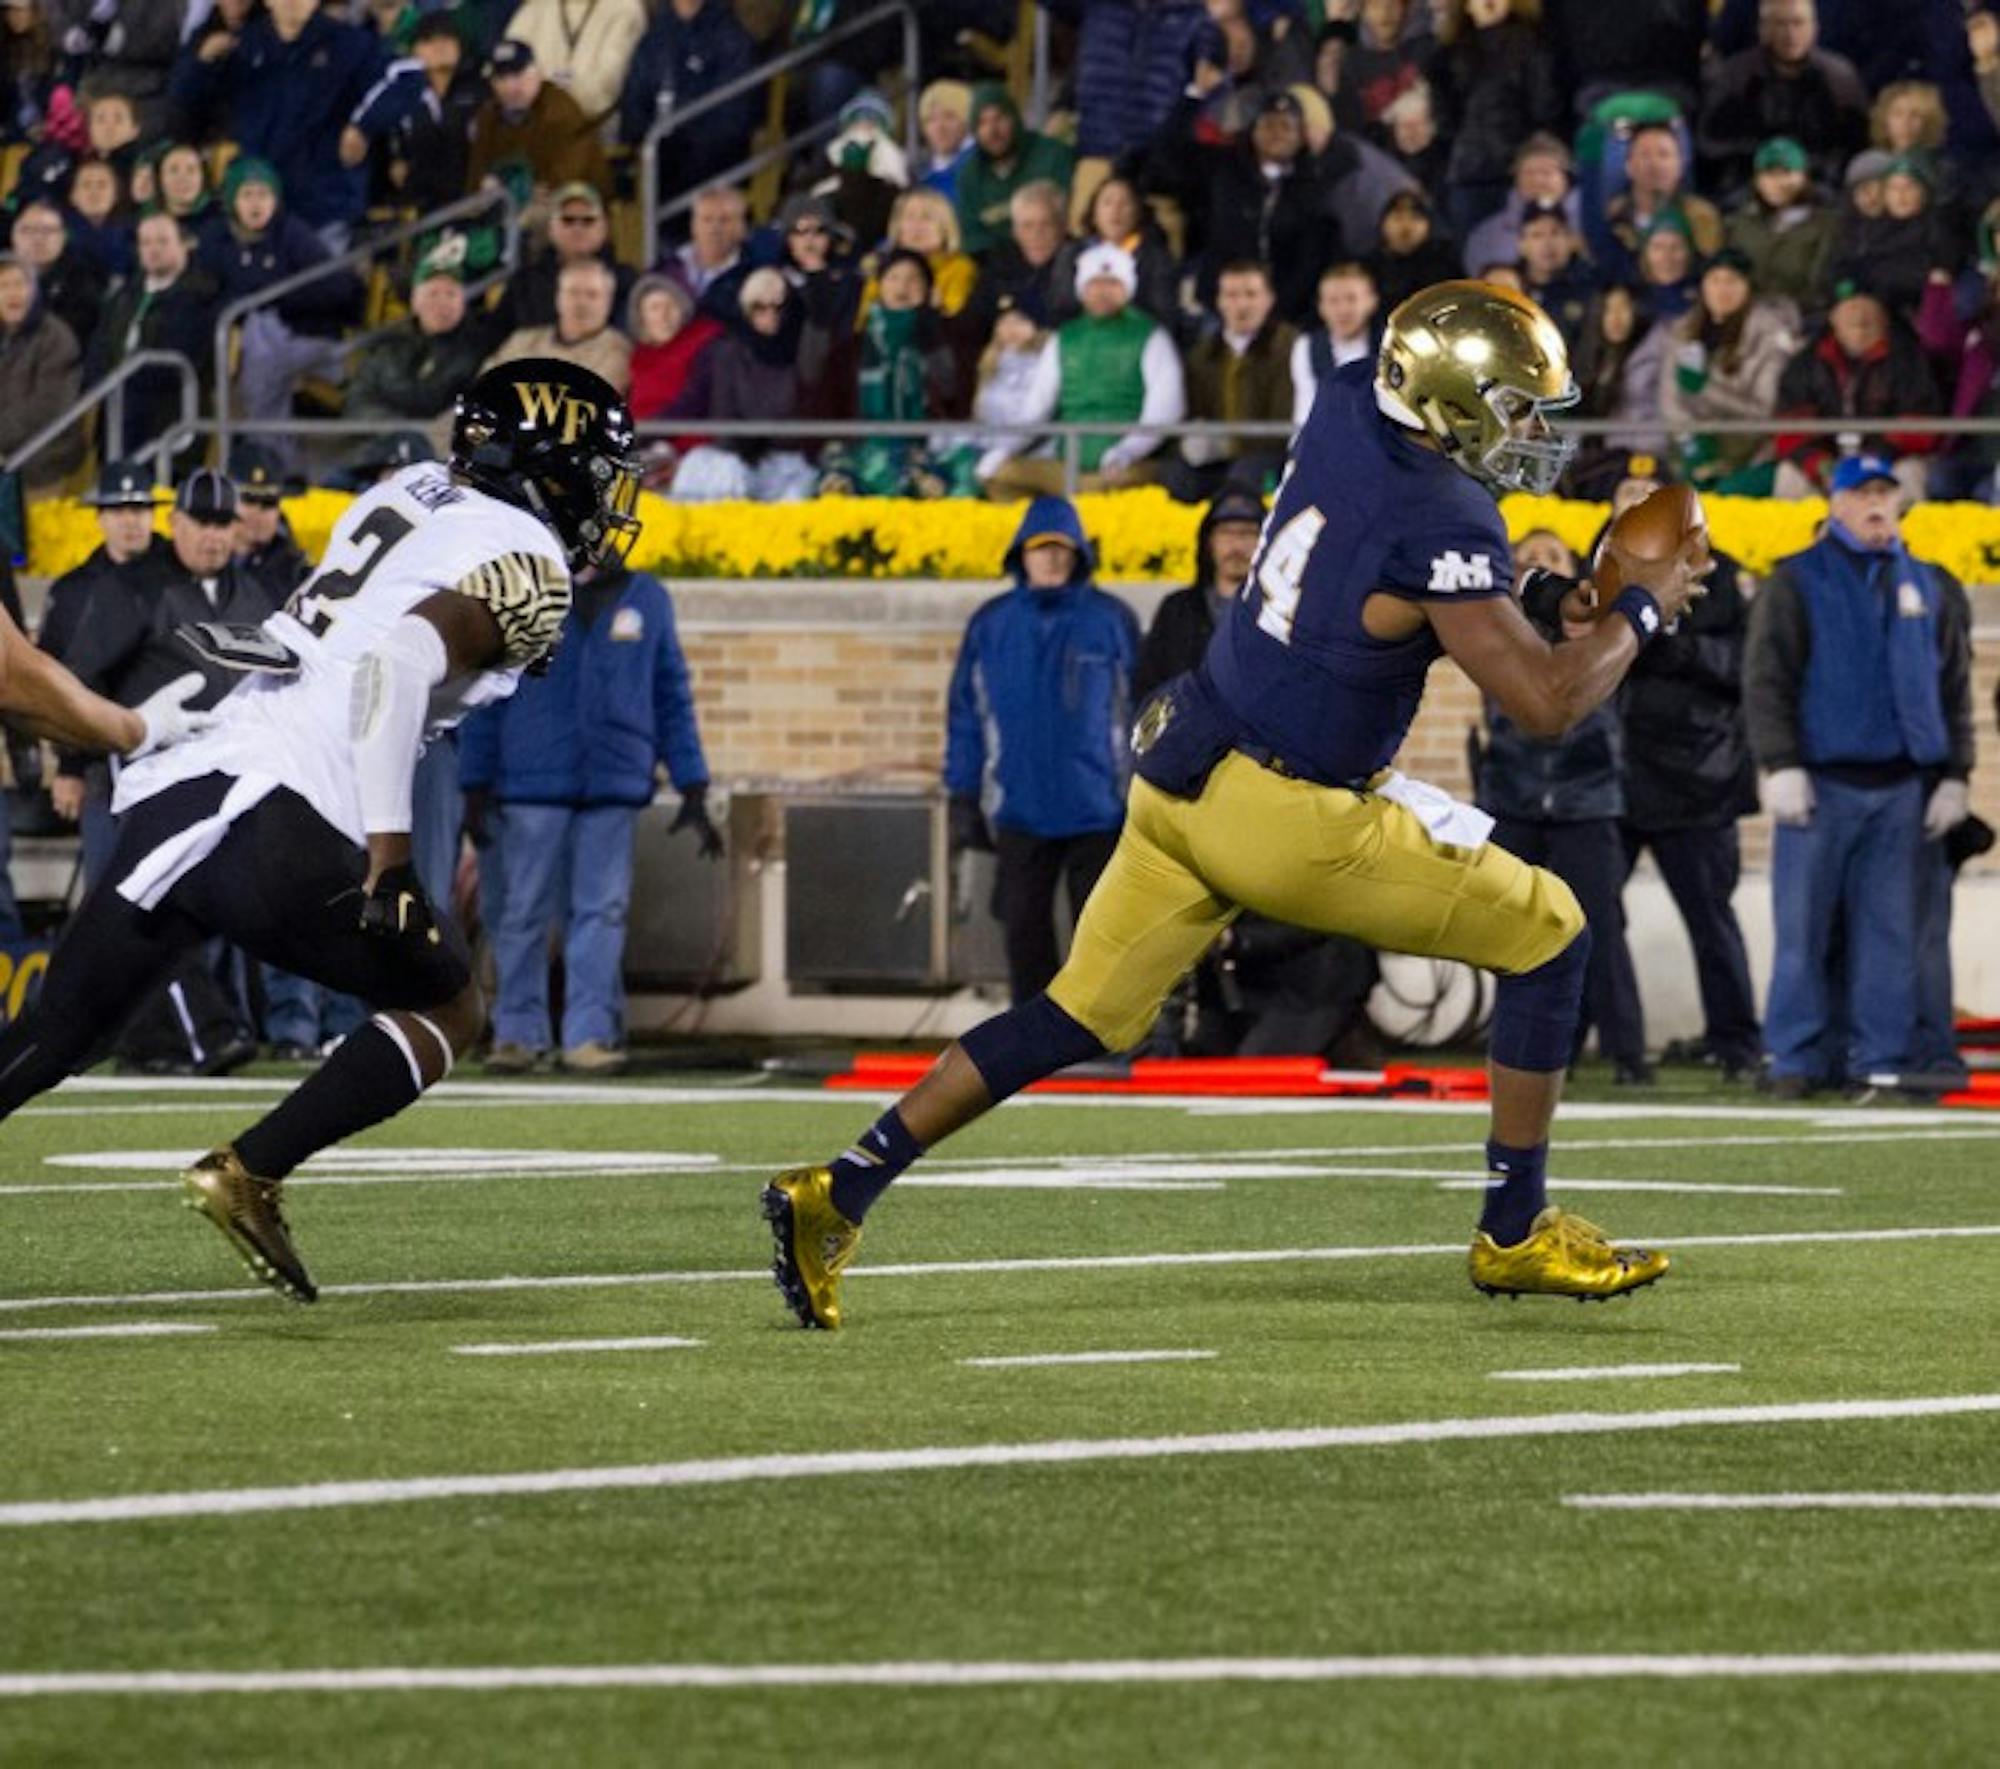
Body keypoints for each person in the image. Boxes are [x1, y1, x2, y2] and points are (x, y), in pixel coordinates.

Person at [761, 280, 1710, 1330]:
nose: (1531, 430)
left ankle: (841, 1184)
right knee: (1550, 931)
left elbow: (1392, 583)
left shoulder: (1351, 397)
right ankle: (1514, 1229)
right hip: (1289, 814)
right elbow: (1545, 701)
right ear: (1447, 401)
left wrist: (1531, 597)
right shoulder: (1442, 511)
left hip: (1183, 762)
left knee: (1077, 1012)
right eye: (1515, 405)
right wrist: (1635, 609)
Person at [0, 358, 639, 1303]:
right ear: (546, 463)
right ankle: (252, 1168)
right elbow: (396, 665)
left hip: (189, 777)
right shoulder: (529, 565)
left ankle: (248, 1172)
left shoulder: (409, 490)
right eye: (593, 469)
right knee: (452, 1005)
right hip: (284, 814)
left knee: (49, 1039)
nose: (601, 496)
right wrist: (389, 854)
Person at [1744, 452, 1973, 1097]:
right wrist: (1779, 763)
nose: (1875, 504)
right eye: (1861, 493)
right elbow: (1766, 680)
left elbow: (1953, 686)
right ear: (1835, 504)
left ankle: (1880, 1058)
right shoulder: (1794, 580)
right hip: (1819, 783)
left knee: (1890, 938)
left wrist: (1957, 772)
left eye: (1884, 492)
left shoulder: (1931, 583)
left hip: (1904, 787)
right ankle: (1794, 1057)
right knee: (1803, 933)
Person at [460, 561, 714, 1075]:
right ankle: (517, 1034)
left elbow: (670, 691)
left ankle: (589, 1036)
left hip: (611, 786)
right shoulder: (527, 590)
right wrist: (475, 781)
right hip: (530, 783)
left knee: (601, 914)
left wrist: (692, 781)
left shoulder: (648, 598)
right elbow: (488, 690)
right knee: (522, 914)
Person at [944, 495, 1138, 1006]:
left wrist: (1141, 790)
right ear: (1021, 555)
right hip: (1018, 807)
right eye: (1040, 548)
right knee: (1023, 934)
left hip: (1099, 808)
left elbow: (1139, 711)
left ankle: (1100, 1036)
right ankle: (1033, 1043)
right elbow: (966, 714)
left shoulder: (1111, 619)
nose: (1051, 558)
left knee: (1101, 937)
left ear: (1078, 555)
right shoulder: (990, 625)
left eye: (1061, 549)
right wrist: (961, 795)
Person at [1473, 529, 1649, 1085]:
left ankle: (1628, 1053)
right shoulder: (1501, 635)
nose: (1545, 568)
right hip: (1515, 793)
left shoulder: (1602, 634)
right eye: (1534, 562)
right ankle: (1519, 1049)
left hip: (1587, 796)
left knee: (1600, 929)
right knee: (1510, 931)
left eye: (1555, 559)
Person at [1609, 465, 1761, 1082]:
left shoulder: (1716, 571)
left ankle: (1737, 1043)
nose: (1634, 506)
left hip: (1696, 777)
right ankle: (1600, 1045)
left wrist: (1681, 649)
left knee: (1709, 920)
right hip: (1615, 773)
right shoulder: (1599, 568)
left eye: (1648, 498)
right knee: (1585, 916)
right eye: (1624, 496)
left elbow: (1742, 662)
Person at [976, 241, 1186, 500]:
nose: (1103, 292)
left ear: (1127, 287)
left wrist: (1128, 450)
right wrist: (1004, 449)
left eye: (1112, 284)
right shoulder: (1065, 337)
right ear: (1082, 289)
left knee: (1104, 488)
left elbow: (1165, 410)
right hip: (1067, 463)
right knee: (999, 473)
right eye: (1095, 284)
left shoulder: (1152, 336)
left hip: (1127, 466)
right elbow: (1036, 408)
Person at [168, 0, 387, 246]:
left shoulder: (350, 44)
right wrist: (202, 64)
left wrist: (363, 126)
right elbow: (184, 101)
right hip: (258, 202)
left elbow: (405, 78)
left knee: (320, 281)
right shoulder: (245, 45)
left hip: (324, 203)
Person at [1773, 283, 1940, 500]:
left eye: (1868, 310)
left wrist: (1873, 461)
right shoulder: (1805, 364)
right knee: (1789, 476)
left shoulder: (1908, 360)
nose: (1860, 319)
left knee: (1911, 472)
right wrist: (1820, 465)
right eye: (1850, 310)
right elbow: (1791, 429)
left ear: (1884, 318)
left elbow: (1920, 426)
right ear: (1833, 318)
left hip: (1887, 461)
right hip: (1827, 465)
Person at [1658, 247, 1799, 494]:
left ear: (1748, 286)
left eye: (1732, 281)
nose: (1723, 290)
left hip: (1755, 456)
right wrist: (1692, 445)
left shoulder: (1771, 332)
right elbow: (1670, 402)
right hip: (1693, 454)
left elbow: (1767, 410)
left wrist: (1707, 388)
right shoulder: (1683, 331)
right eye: (1714, 281)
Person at [1697, 0, 1869, 194]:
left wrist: (1805, 170)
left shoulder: (1839, 79)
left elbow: (1854, 147)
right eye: (1780, 24)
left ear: (1815, 28)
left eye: (1799, 23)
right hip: (1748, 186)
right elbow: (1710, 144)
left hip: (1821, 187)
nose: (1791, 34)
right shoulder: (1735, 76)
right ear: (1763, 29)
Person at [89, 209, 219, 461]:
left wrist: (122, 380)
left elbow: (178, 361)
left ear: (184, 246)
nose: (153, 249)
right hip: (117, 413)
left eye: (162, 241)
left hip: (168, 417)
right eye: (146, 242)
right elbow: (99, 346)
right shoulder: (124, 296)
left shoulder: (200, 296)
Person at [1165, 259, 1295, 502]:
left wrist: (1230, 443)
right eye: (1232, 295)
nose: (1242, 304)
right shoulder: (1203, 353)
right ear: (1219, 301)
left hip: (1270, 456)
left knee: (1244, 476)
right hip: (1214, 458)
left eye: (1251, 294)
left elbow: (1283, 423)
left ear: (1269, 299)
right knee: (1178, 478)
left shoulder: (1289, 347)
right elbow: (1191, 411)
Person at [340, 11, 485, 216]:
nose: (439, 47)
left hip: (471, 201)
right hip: (410, 207)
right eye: (429, 40)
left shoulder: (479, 91)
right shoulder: (397, 94)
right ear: (414, 49)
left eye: (447, 38)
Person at [617, 0, 756, 204]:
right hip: (656, 166)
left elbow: (732, 120)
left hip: (708, 174)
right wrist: (642, 141)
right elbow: (633, 102)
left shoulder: (732, 40)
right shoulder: (653, 38)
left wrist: (679, 144)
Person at [483, 181, 634, 346]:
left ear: (604, 228)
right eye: (567, 220)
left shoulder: (628, 281)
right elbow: (493, 340)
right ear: (551, 229)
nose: (578, 227)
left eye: (588, 220)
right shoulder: (525, 282)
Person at [346, 255, 490, 427]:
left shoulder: (479, 349)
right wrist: (400, 432)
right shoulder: (388, 346)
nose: (442, 302)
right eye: (433, 294)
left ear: (463, 304)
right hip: (387, 444)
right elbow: (359, 401)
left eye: (451, 294)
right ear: (416, 302)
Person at [465, 37, 608, 199]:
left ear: (537, 74)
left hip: (571, 210)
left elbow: (565, 180)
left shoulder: (561, 111)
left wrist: (521, 193)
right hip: (506, 208)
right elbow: (475, 181)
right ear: (492, 83)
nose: (511, 87)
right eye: (502, 78)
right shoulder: (488, 117)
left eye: (519, 75)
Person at [954, 83, 1075, 257]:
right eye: (982, 123)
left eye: (1000, 118)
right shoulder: (969, 174)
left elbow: (1066, 219)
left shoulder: (1053, 155)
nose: (992, 130)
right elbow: (973, 238)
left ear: (1015, 119)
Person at [483, 257, 632, 394]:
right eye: (573, 292)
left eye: (592, 294)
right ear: (558, 298)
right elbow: (486, 386)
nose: (581, 302)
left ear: (608, 301)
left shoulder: (618, 351)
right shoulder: (521, 341)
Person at [1722, 136, 1837, 312]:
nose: (1778, 183)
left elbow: (1819, 284)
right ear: (1757, 180)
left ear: (1803, 177)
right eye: (1770, 174)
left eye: (1787, 173)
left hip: (1802, 318)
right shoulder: (1738, 224)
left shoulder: (1826, 225)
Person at [0, 256, 82, 487]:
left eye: (19, 285)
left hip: (44, 453)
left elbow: (46, 409)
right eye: (3, 286)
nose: (12, 294)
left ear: (34, 292)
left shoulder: (56, 338)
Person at [505, 0, 645, 125]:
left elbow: (599, 92)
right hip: (528, 125)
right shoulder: (536, 6)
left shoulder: (625, 8)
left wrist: (538, 82)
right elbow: (504, 75)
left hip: (594, 131)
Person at [1462, 133, 1583, 278]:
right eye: (1529, 173)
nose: (1538, 180)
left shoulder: (1593, 223)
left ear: (1566, 177)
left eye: (1547, 172)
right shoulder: (1489, 234)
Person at [9, 199, 103, 357]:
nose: (38, 239)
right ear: (13, 236)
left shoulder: (82, 283)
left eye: (48, 231)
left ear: (63, 237)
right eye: (28, 230)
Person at [1290, 262, 1380, 429]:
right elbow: (1305, 410)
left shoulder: (1389, 346)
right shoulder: (1306, 346)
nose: (1343, 310)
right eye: (1333, 301)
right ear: (1321, 307)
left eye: (1351, 299)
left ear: (1371, 301)